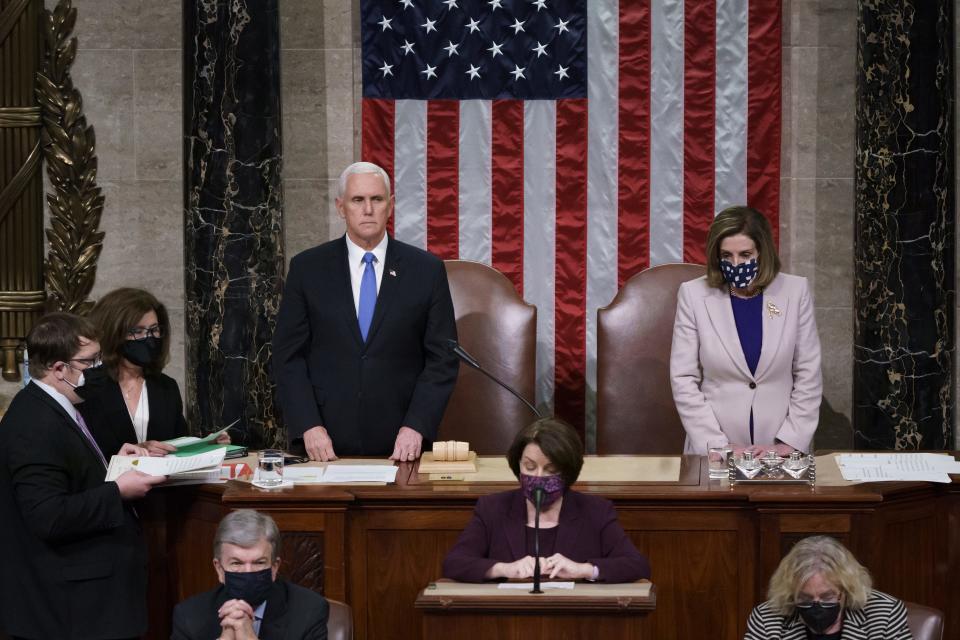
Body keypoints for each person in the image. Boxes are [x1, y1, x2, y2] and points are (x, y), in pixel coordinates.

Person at [273, 161, 458, 462]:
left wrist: (416, 425)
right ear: (340, 207)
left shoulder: (426, 271)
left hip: (401, 446)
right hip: (323, 445)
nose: (368, 209)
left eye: (377, 199)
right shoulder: (307, 269)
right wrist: (307, 424)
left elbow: (442, 359)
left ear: (391, 205)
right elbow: (287, 356)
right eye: (358, 200)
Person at [0, 312, 165, 639]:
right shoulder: (33, 422)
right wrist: (117, 490)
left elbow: (70, 474)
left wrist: (114, 463)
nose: (98, 369)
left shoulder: (56, 405)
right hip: (69, 610)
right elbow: (47, 515)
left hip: (86, 604)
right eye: (90, 362)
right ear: (59, 369)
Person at [670, 206, 822, 456]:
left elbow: (808, 372)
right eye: (726, 255)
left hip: (780, 448)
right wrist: (715, 444)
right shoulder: (693, 294)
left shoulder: (794, 291)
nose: (736, 263)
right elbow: (683, 378)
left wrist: (791, 441)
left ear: (762, 252)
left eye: (745, 254)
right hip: (715, 449)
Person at [443, 418, 650, 583]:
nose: (539, 477)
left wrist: (583, 569)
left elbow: (637, 565)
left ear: (568, 472)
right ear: (518, 466)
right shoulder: (492, 508)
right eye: (530, 467)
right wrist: (504, 569)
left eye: (551, 469)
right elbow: (454, 563)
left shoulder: (596, 511)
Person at [79, 287, 228, 457]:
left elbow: (177, 445)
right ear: (113, 334)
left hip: (162, 483)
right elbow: (80, 458)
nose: (149, 338)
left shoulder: (166, 387)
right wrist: (137, 451)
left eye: (154, 330)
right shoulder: (89, 388)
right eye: (137, 331)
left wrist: (205, 445)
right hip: (112, 482)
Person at [172, 509, 329, 640]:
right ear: (219, 569)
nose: (248, 572)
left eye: (259, 562)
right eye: (237, 563)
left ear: (274, 567)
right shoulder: (189, 616)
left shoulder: (309, 611)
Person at [745, 535, 911, 639]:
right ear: (790, 593)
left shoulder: (885, 615)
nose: (816, 607)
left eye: (827, 597)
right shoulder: (767, 620)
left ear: (847, 589)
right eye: (805, 598)